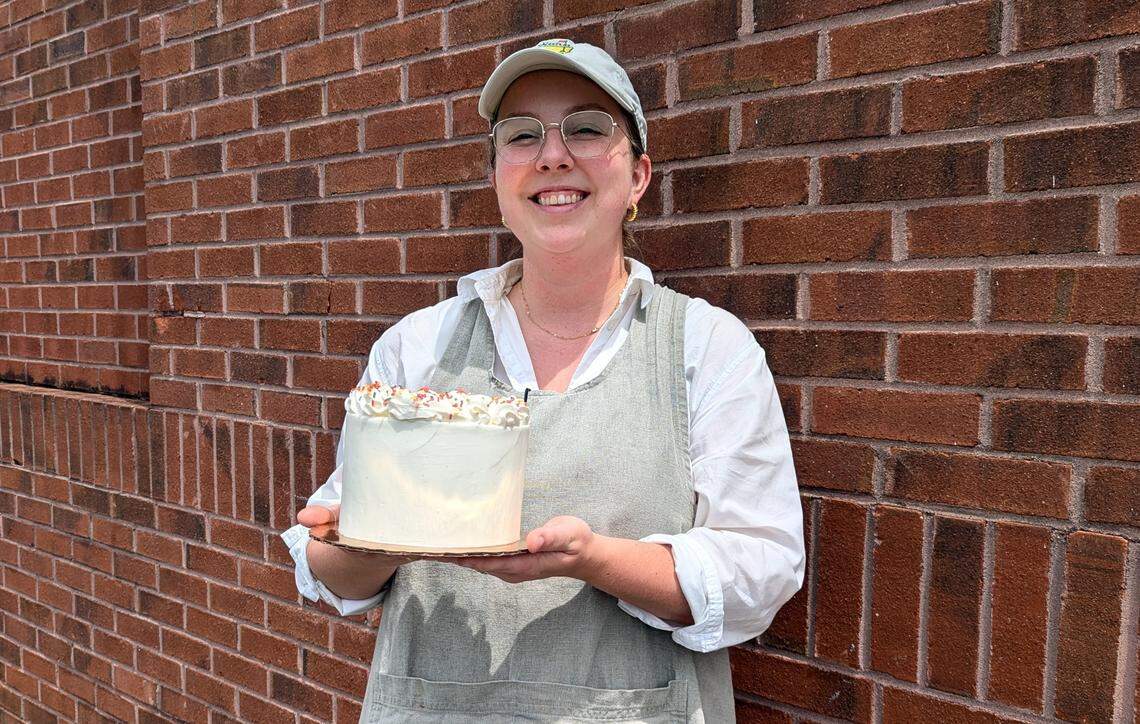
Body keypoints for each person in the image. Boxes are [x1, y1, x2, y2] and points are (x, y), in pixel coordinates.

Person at [280, 38, 804, 722]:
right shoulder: (418, 345)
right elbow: (334, 570)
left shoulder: (705, 349)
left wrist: (591, 559)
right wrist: (360, 544)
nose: (553, 154)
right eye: (522, 136)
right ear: (498, 178)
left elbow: (759, 573)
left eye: (586, 129)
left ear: (639, 176)